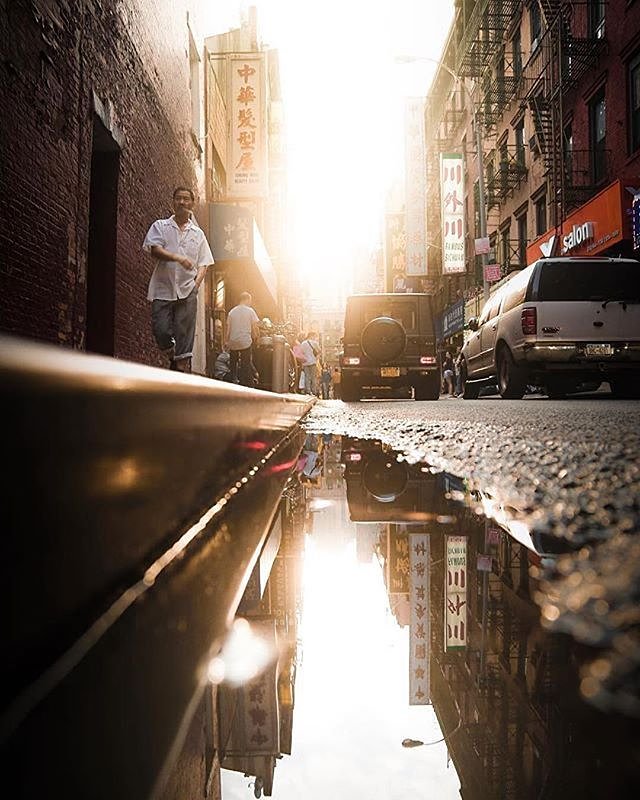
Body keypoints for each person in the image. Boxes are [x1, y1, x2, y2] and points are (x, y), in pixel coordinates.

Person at [143, 186, 214, 372]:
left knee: (185, 334)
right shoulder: (160, 226)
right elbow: (154, 249)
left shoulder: (198, 235)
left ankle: (180, 370)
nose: (182, 202)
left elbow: (204, 263)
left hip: (187, 289)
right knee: (161, 331)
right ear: (172, 202)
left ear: (192, 203)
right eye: (178, 199)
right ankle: (172, 354)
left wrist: (196, 285)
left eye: (186, 199)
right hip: (163, 287)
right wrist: (177, 257)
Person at [226, 292, 260, 387]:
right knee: (246, 362)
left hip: (233, 342)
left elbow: (228, 330)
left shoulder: (231, 312)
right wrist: (256, 337)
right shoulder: (250, 311)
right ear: (247, 299)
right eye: (250, 301)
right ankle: (247, 383)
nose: (250, 303)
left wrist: (227, 342)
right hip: (245, 342)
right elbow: (254, 327)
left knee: (233, 361)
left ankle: (233, 379)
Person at [299, 331, 320, 395]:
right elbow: (319, 351)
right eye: (314, 336)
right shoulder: (314, 343)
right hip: (313, 362)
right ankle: (314, 391)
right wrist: (316, 359)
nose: (315, 338)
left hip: (305, 362)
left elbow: (301, 352)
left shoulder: (303, 343)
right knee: (313, 377)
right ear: (312, 335)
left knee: (307, 377)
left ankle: (308, 391)